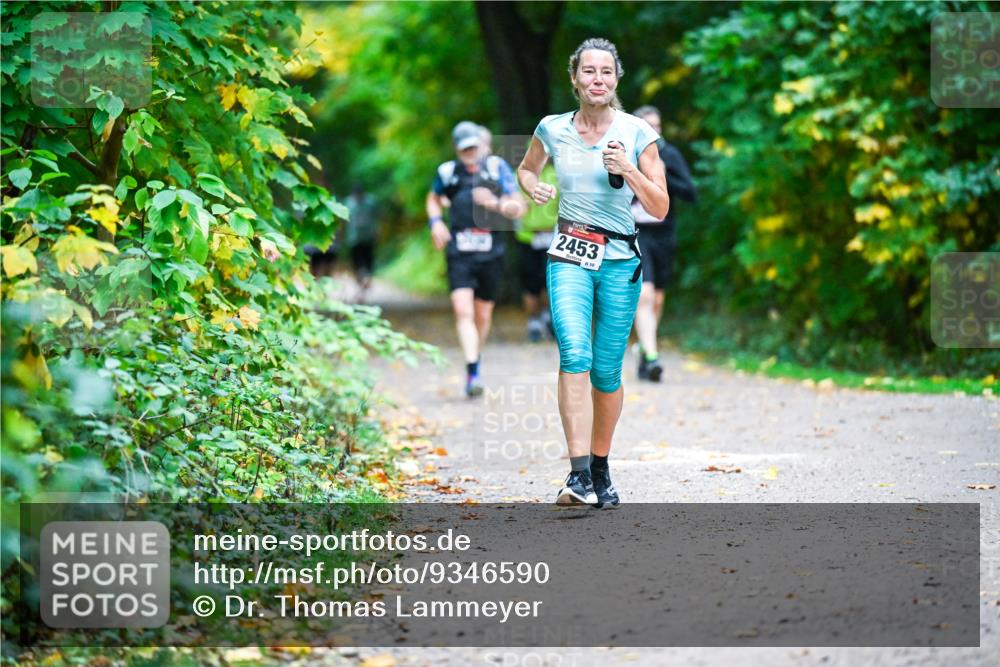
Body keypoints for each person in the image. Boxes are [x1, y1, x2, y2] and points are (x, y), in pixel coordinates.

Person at [516, 38, 668, 507]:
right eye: (588, 71)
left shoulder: (637, 131)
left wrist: (629, 168)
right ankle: (578, 474)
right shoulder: (552, 127)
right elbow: (525, 170)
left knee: (606, 372)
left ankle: (601, 467)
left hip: (621, 260)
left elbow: (659, 206)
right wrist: (535, 186)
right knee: (573, 350)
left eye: (605, 72)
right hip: (569, 252)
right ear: (575, 78)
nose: (597, 80)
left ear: (616, 79)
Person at [427, 121, 527, 397]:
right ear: (457, 150)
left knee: (482, 315)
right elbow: (433, 198)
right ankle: (472, 370)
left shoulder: (496, 170)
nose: (470, 153)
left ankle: (476, 359)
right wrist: (436, 222)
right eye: (464, 150)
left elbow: (518, 208)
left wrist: (493, 203)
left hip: (490, 253)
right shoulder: (448, 172)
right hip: (459, 252)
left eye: (474, 147)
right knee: (463, 311)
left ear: (482, 145)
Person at [630, 105, 698, 381]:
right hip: (635, 234)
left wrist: (661, 175)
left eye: (657, 126)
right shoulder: (624, 156)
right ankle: (654, 357)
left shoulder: (669, 155)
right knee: (643, 295)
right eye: (647, 126)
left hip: (664, 234)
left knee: (657, 300)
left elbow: (691, 193)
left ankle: (646, 351)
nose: (654, 131)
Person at [514, 162, 558, 342]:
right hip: (528, 236)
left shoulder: (557, 174)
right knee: (530, 281)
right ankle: (533, 321)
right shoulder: (520, 176)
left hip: (552, 235)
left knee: (549, 279)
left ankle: (547, 317)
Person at [344, 183, 378, 304]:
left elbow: (377, 216)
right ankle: (361, 286)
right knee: (356, 264)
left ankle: (365, 284)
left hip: (368, 238)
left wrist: (376, 230)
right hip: (354, 239)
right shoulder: (348, 203)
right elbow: (344, 220)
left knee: (368, 263)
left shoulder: (371, 202)